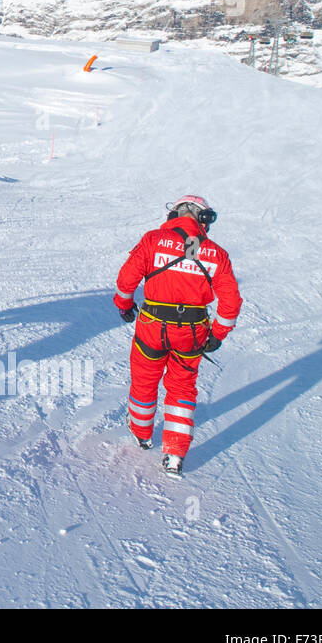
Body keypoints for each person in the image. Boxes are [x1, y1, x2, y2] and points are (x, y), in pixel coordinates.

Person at [113, 195, 242, 477]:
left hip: (152, 327)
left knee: (144, 381)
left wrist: (124, 305)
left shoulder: (153, 240)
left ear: (174, 214)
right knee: (182, 388)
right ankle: (174, 454)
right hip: (192, 334)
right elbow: (231, 302)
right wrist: (217, 334)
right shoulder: (216, 253)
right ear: (204, 219)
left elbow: (126, 280)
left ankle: (142, 434)